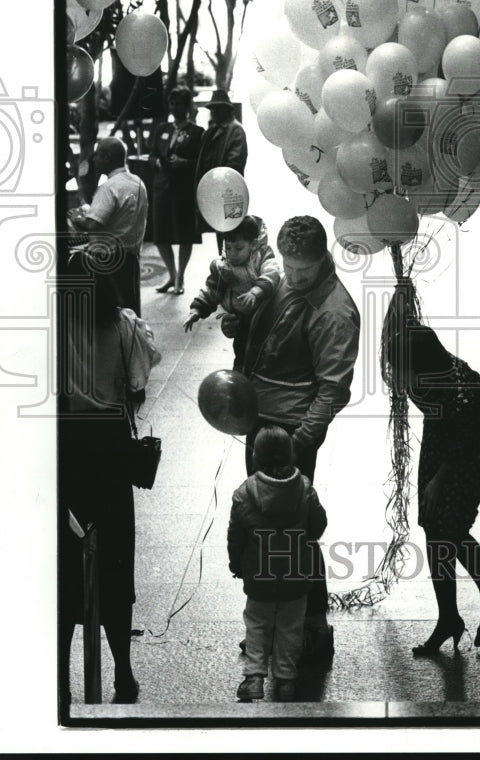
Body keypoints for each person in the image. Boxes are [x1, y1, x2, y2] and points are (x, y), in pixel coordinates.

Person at [221, 216, 359, 662]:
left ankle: (312, 627)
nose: (293, 278)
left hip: (293, 431)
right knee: (264, 529)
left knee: (295, 533)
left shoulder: (334, 310)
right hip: (260, 420)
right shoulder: (281, 279)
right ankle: (271, 626)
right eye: (288, 268)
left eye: (303, 271)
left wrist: (300, 442)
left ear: (323, 260)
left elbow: (333, 388)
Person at [59, 251, 161, 706]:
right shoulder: (123, 325)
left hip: (65, 452)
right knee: (116, 563)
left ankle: (60, 680)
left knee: (63, 565)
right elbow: (141, 375)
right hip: (112, 451)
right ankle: (123, 674)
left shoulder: (52, 327)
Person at [383, 312, 480, 656]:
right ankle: (449, 618)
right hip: (444, 433)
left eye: (399, 367)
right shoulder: (421, 373)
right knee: (433, 526)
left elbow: (463, 438)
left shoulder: (456, 388)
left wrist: (439, 479)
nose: (394, 373)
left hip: (477, 441)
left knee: (450, 526)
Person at [228, 426, 328, 703]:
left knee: (257, 625)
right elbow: (318, 526)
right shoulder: (305, 489)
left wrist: (236, 563)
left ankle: (254, 678)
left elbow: (235, 535)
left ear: (255, 457)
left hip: (259, 576)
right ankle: (285, 681)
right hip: (296, 577)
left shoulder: (244, 493)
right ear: (291, 456)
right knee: (290, 628)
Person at [183, 216, 281, 370]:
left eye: (238, 248)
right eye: (228, 248)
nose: (232, 254)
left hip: (265, 316)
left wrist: (256, 291)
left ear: (253, 244)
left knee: (266, 355)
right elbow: (212, 289)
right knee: (242, 354)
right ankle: (241, 375)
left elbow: (272, 272)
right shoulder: (223, 266)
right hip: (240, 319)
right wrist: (197, 309)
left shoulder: (262, 255)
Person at [68, 137, 148, 316]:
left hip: (108, 264)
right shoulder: (138, 183)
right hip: (130, 261)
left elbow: (92, 224)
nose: (94, 159)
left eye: (97, 155)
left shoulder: (109, 187)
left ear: (107, 157)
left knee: (112, 320)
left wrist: (76, 218)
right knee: (131, 317)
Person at [148, 85, 204, 295]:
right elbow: (152, 155)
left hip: (183, 191)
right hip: (161, 188)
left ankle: (181, 277)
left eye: (179, 104)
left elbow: (200, 162)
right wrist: (157, 163)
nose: (175, 108)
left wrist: (184, 163)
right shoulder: (162, 129)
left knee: (184, 235)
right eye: (172, 103)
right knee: (160, 236)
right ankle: (171, 276)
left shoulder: (197, 132)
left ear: (188, 106)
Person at [194, 89, 248, 251]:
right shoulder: (213, 130)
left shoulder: (236, 130)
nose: (214, 113)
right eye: (212, 109)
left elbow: (235, 163)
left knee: (231, 236)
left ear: (226, 109)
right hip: (215, 193)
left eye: (217, 109)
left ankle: (232, 271)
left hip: (230, 194)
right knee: (222, 235)